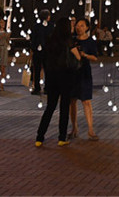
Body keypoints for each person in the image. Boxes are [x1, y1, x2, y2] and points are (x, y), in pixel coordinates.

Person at [35, 17, 81, 147]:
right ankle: (62, 137)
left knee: (50, 107)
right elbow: (77, 58)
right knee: (64, 107)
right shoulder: (68, 41)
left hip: (51, 77)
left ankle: (39, 137)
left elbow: (44, 58)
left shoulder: (50, 40)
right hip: (65, 76)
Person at [69, 18, 99, 140]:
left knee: (86, 101)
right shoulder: (73, 41)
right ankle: (74, 128)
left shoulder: (90, 41)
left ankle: (90, 129)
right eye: (77, 25)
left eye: (81, 25)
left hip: (85, 72)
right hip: (72, 73)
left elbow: (95, 57)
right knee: (72, 101)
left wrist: (85, 55)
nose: (78, 27)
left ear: (87, 27)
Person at [30, 9, 53, 95]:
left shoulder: (36, 26)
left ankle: (38, 88)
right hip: (46, 51)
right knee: (46, 70)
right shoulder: (50, 26)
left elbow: (33, 39)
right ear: (47, 17)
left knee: (38, 70)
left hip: (40, 51)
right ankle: (46, 88)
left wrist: (34, 48)